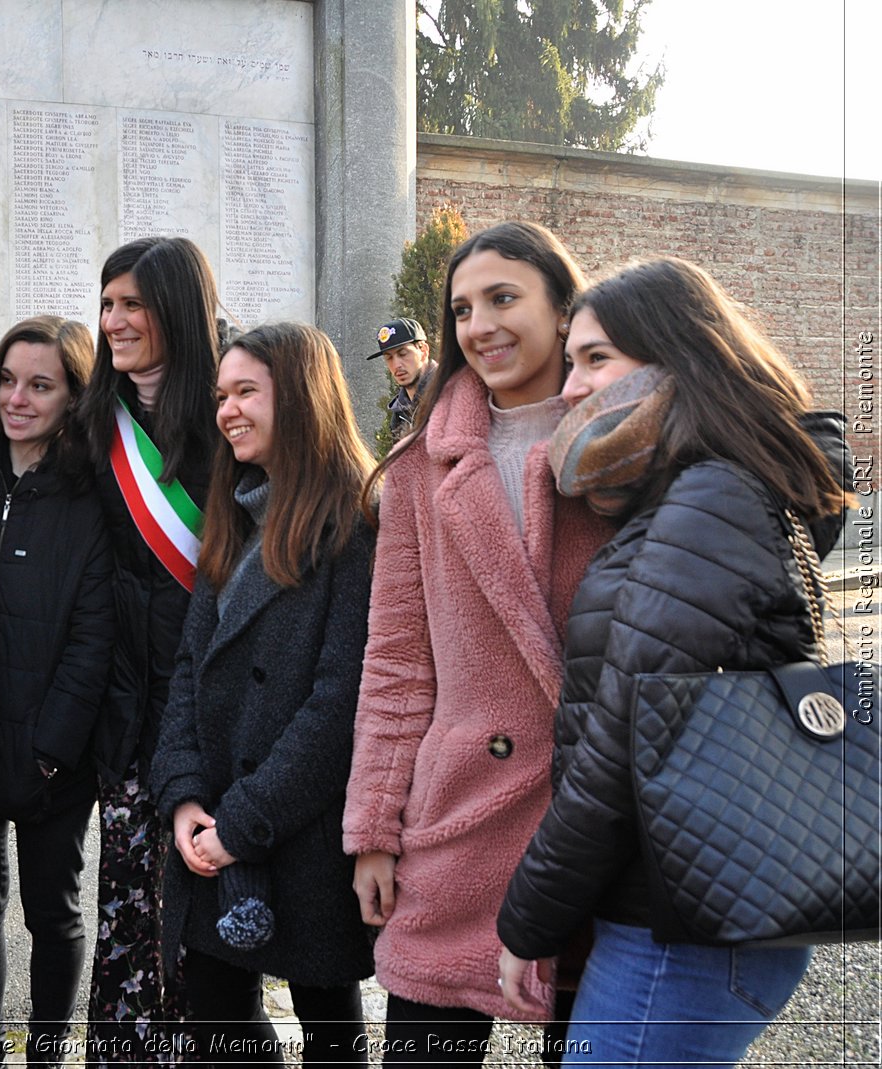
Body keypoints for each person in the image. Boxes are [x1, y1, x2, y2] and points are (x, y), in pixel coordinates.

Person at [495, 256, 849, 1064]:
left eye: (596, 359)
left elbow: (621, 745)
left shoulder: (710, 499)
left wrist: (528, 919)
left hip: (684, 928)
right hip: (697, 915)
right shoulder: (703, 490)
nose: (572, 386)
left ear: (674, 359)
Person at [342, 221, 610, 1066]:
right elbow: (395, 661)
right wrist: (375, 829)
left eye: (503, 298)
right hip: (457, 818)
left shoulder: (626, 448)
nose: (479, 324)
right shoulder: (423, 465)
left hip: (596, 821)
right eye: (461, 308)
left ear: (566, 310)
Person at [152, 322, 378, 1065]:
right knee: (218, 1025)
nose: (227, 410)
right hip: (213, 821)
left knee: (330, 1030)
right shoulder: (238, 509)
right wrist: (184, 797)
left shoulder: (357, 523)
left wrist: (241, 823)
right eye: (222, 394)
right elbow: (188, 667)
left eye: (246, 391)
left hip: (298, 828)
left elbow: (339, 702)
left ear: (304, 398)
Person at [0, 317, 112, 1068]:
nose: (18, 397)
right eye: (8, 379)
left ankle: (44, 1054)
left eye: (40, 384)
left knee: (52, 911)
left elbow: (93, 637)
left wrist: (53, 747)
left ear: (73, 396)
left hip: (51, 754)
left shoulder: (93, 497)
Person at [72, 235, 223, 1064]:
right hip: (130, 721)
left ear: (180, 310)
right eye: (108, 304)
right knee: (129, 917)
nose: (117, 320)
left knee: (209, 932)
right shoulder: (97, 423)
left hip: (217, 716)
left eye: (135, 303)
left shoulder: (231, 415)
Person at [368, 317, 432, 438]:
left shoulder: (449, 393)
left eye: (403, 354)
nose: (396, 365)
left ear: (423, 351)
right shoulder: (399, 410)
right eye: (389, 358)